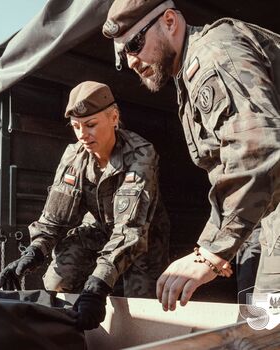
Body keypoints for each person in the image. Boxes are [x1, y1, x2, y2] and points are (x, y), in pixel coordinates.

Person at [102, 0, 280, 311]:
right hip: (267, 207)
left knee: (267, 323)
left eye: (135, 43)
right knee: (253, 315)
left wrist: (212, 251)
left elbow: (258, 149)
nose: (131, 60)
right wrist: (221, 245)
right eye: (123, 55)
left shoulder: (213, 55)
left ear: (169, 21)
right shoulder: (188, 73)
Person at [0, 81, 170, 329]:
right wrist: (32, 254)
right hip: (98, 229)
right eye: (76, 127)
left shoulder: (141, 154)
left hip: (143, 238)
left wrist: (97, 285)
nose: (82, 135)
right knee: (56, 281)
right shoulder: (74, 155)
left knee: (140, 308)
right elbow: (54, 220)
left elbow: (129, 230)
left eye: (90, 125)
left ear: (114, 117)